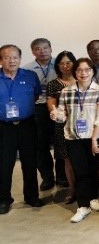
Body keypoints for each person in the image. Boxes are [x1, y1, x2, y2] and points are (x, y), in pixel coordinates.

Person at [52, 57, 99, 223]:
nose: (83, 73)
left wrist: (94, 139)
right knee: (80, 171)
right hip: (73, 136)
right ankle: (83, 206)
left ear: (93, 72)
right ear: (75, 73)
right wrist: (56, 115)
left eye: (87, 70)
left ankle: (93, 198)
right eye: (79, 70)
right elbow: (63, 115)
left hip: (95, 135)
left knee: (93, 168)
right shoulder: (66, 91)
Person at [0, 44, 43, 214]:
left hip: (27, 125)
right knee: (4, 164)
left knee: (30, 161)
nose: (12, 60)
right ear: (1, 60)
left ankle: (32, 196)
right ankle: (4, 199)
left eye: (15, 57)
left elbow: (36, 95)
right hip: (4, 127)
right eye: (7, 57)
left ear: (20, 59)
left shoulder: (30, 76)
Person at [22, 38, 59, 191]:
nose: (42, 51)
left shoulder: (61, 64)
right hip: (38, 108)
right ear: (33, 52)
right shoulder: (27, 69)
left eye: (45, 48)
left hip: (58, 106)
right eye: (38, 49)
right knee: (40, 144)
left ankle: (63, 176)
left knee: (60, 142)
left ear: (51, 48)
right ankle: (47, 177)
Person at [45, 51, 77, 204]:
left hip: (82, 125)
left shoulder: (82, 79)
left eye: (68, 63)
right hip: (62, 125)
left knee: (85, 158)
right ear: (57, 66)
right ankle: (72, 188)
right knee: (67, 159)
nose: (65, 66)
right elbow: (51, 104)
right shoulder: (53, 84)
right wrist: (55, 112)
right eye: (61, 63)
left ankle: (87, 187)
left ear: (74, 63)